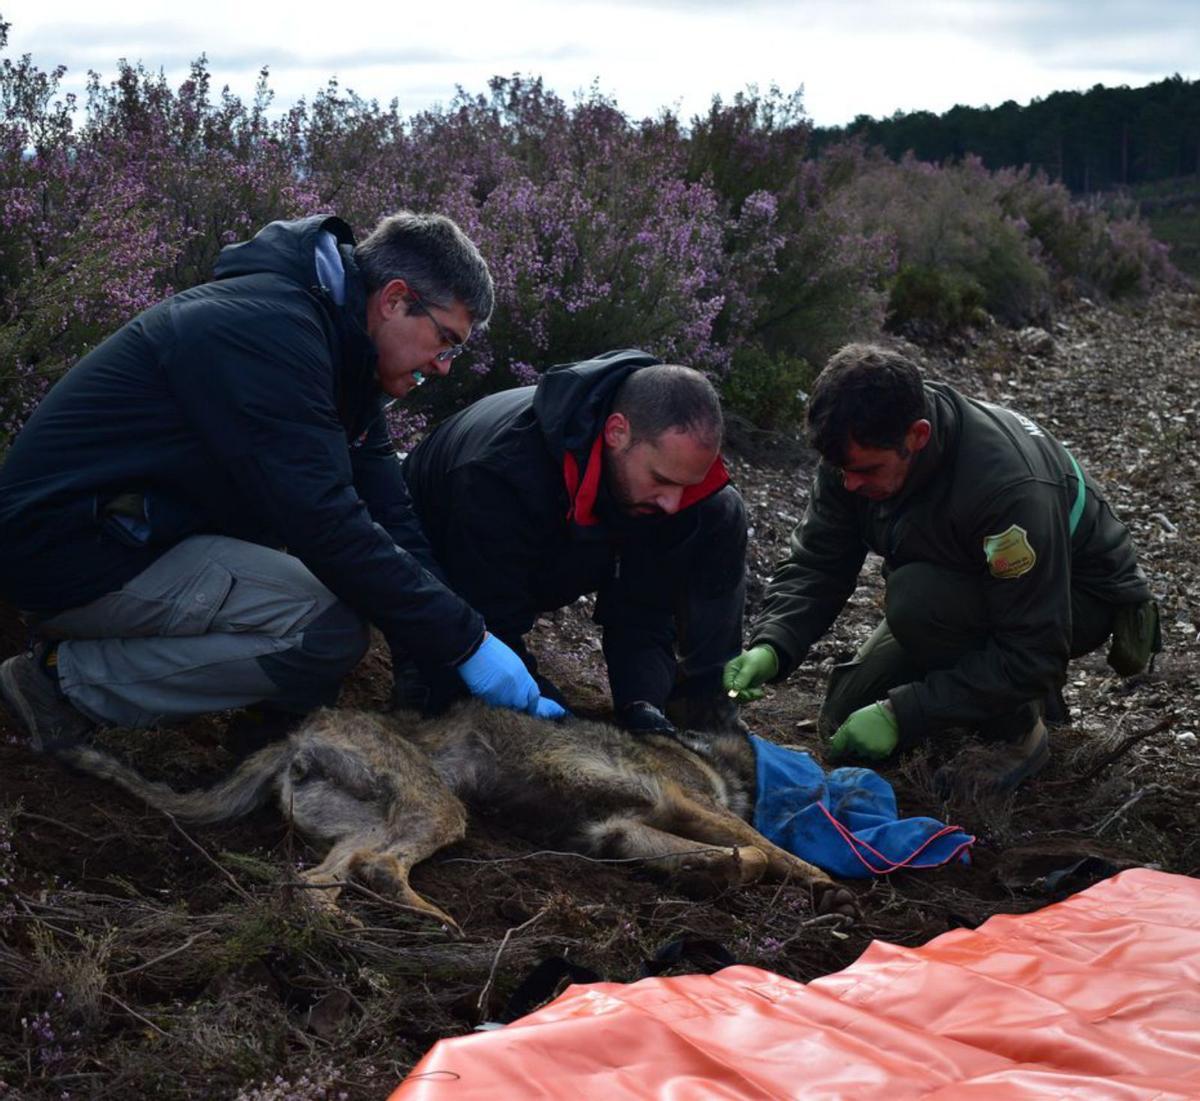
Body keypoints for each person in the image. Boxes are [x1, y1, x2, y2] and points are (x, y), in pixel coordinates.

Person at [0, 211, 564, 752]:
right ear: (395, 300)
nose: (443, 365)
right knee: (327, 630)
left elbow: (394, 522)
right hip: (67, 552)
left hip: (133, 533)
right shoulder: (270, 333)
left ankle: (271, 727)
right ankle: (60, 683)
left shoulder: (340, 363)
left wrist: (450, 661)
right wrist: (467, 644)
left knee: (350, 587)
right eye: (447, 341)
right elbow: (326, 522)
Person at [724, 343, 1158, 792]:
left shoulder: (1007, 488)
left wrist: (901, 713)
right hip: (961, 582)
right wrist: (772, 645)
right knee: (843, 716)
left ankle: (1019, 732)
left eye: (867, 471)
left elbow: (1037, 650)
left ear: (918, 436)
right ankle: (990, 689)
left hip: (1071, 597)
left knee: (916, 602)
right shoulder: (854, 451)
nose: (850, 484)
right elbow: (819, 561)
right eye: (842, 470)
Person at [400, 350, 748, 735]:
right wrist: (568, 724)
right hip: (431, 556)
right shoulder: (501, 474)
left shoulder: (653, 480)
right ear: (617, 432)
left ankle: (704, 708)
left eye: (685, 485)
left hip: (562, 535)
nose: (672, 502)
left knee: (718, 507)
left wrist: (640, 705)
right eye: (663, 481)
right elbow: (489, 628)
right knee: (449, 703)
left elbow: (642, 608)